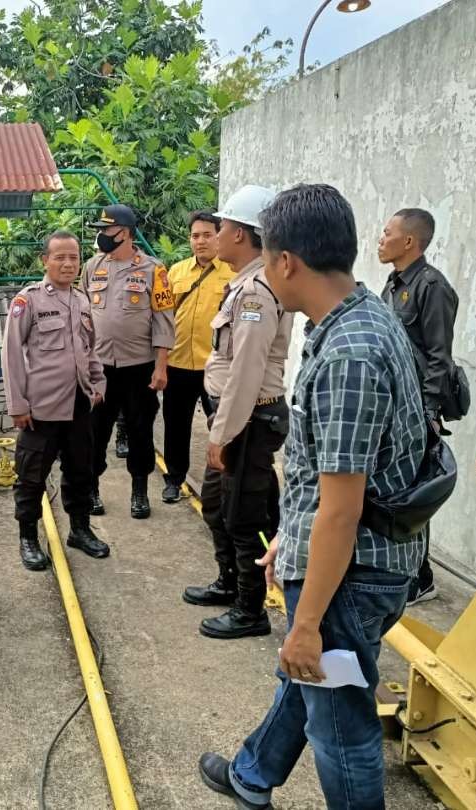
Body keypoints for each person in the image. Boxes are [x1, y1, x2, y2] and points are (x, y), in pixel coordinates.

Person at [199, 184, 427, 810]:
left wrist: (304, 621)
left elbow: (343, 509)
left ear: (286, 263)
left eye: (267, 257)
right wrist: (292, 547)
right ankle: (253, 775)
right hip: (349, 557)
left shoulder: (349, 357)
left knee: (341, 726)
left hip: (352, 571)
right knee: (307, 679)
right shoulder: (360, 315)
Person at [182, 186, 292, 640]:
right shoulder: (245, 284)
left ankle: (251, 610)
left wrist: (221, 435)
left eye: (223, 226)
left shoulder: (256, 294)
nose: (216, 232)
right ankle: (230, 582)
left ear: (243, 235)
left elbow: (246, 373)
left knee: (244, 516)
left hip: (248, 420)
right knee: (218, 506)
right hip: (235, 418)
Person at [2, 231, 110, 570]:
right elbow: (11, 355)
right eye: (60, 257)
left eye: (74, 258)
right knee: (31, 475)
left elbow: (89, 348)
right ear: (44, 261)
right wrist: (18, 405)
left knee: (81, 470)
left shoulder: (81, 300)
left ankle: (79, 530)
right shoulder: (29, 300)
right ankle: (28, 539)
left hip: (78, 403)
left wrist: (98, 383)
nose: (68, 264)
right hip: (41, 408)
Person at [378, 208, 459, 605]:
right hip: (392, 405)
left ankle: (419, 577)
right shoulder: (393, 284)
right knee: (397, 488)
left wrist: (427, 413)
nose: (381, 238)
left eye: (387, 232)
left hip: (416, 410)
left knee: (415, 493)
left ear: (409, 241)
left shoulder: (432, 287)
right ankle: (407, 569)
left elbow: (440, 358)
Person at [83, 204, 175, 519]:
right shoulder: (92, 267)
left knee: (140, 430)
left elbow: (164, 320)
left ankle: (139, 491)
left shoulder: (154, 270)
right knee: (95, 430)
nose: (102, 236)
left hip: (140, 368)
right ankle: (91, 488)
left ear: (125, 233)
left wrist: (161, 366)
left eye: (107, 230)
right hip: (100, 368)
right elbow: (82, 316)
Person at [160, 211, 236, 503]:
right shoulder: (176, 272)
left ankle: (222, 484)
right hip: (178, 363)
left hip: (214, 366)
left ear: (219, 236)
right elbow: (162, 318)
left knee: (220, 426)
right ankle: (174, 479)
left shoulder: (233, 274)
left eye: (207, 235)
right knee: (175, 425)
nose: (200, 241)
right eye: (195, 236)